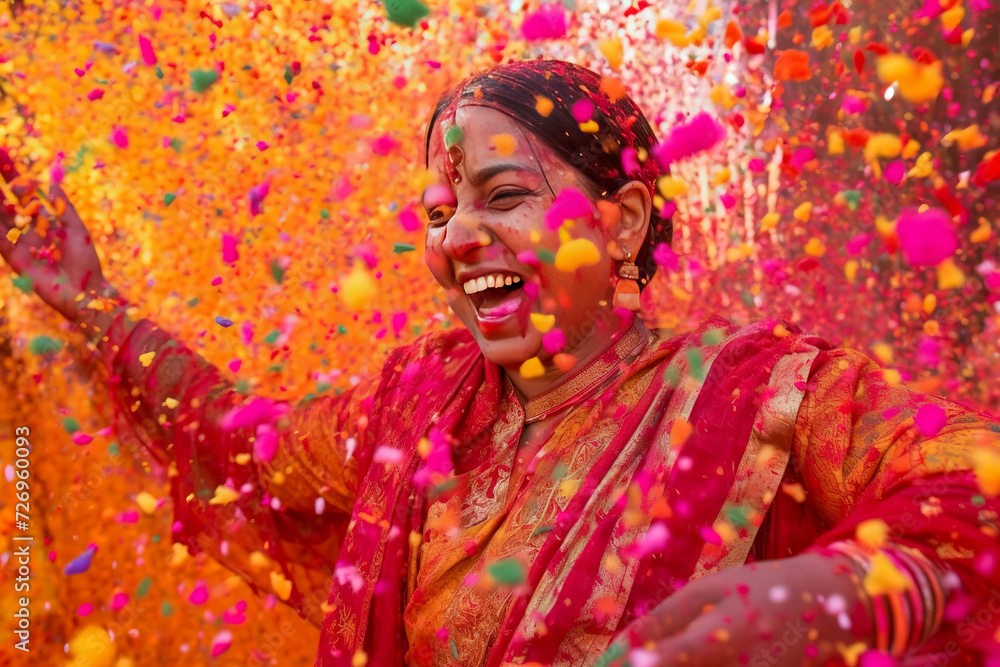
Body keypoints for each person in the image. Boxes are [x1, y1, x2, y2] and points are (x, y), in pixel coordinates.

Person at [2, 58, 1000, 667]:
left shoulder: (760, 391)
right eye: (438, 214)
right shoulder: (415, 404)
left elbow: (979, 482)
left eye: (503, 195)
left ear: (622, 222)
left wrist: (840, 594)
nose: (456, 238)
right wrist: (90, 301)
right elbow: (241, 439)